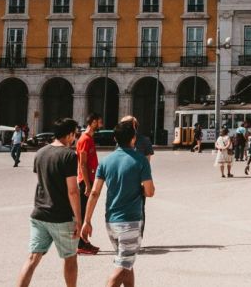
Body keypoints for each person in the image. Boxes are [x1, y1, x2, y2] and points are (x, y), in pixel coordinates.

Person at [81, 119, 155, 287]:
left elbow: (94, 192)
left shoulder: (105, 161)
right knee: (122, 266)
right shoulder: (140, 160)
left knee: (127, 262)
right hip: (130, 221)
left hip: (111, 221)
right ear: (133, 138)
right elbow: (150, 192)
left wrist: (87, 220)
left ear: (115, 139)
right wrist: (140, 188)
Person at [17, 118, 82, 287]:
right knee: (70, 258)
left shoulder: (41, 152)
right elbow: (73, 191)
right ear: (69, 135)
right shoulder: (69, 155)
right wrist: (79, 219)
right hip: (61, 216)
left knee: (33, 258)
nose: (75, 138)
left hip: (39, 214)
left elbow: (42, 181)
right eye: (75, 134)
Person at [75, 113, 102, 255]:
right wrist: (87, 184)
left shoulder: (89, 138)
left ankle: (84, 242)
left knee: (85, 213)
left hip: (89, 179)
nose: (101, 124)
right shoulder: (85, 139)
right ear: (93, 122)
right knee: (82, 214)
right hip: (85, 181)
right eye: (99, 122)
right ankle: (80, 244)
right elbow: (83, 164)